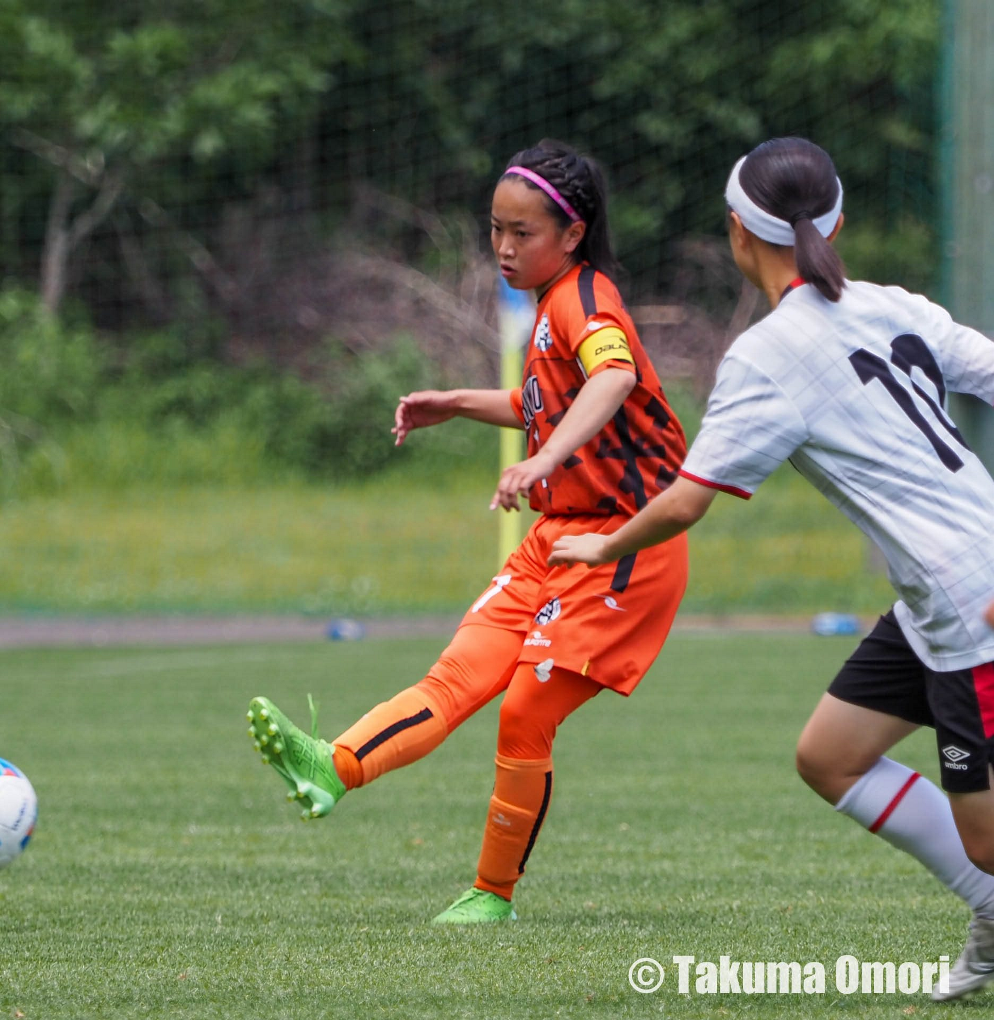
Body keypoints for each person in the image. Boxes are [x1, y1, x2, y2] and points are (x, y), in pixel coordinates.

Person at [549, 136, 994, 1001]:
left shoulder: (764, 357)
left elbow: (684, 502)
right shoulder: (890, 303)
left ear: (734, 231)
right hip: (936, 601)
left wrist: (602, 544)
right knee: (831, 755)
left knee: (987, 838)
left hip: (972, 602)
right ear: (839, 220)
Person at [247, 140, 689, 923]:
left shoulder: (586, 300)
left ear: (573, 233)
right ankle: (329, 765)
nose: (505, 249)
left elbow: (613, 378)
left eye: (523, 233)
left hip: (623, 545)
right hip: (555, 538)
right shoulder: (551, 308)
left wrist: (545, 457)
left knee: (523, 712)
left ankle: (492, 896)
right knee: (458, 675)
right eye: (496, 230)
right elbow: (544, 401)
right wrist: (455, 400)